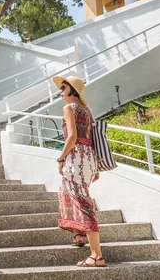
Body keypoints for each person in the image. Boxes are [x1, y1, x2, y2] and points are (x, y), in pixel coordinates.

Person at [52, 75, 106, 268]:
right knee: (67, 193)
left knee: (83, 203)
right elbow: (91, 138)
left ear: (72, 90)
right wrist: (96, 166)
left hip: (75, 159)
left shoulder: (69, 108)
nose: (60, 91)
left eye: (63, 88)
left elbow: (72, 136)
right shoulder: (86, 110)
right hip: (88, 159)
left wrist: (60, 158)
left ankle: (96, 255)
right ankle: (78, 234)